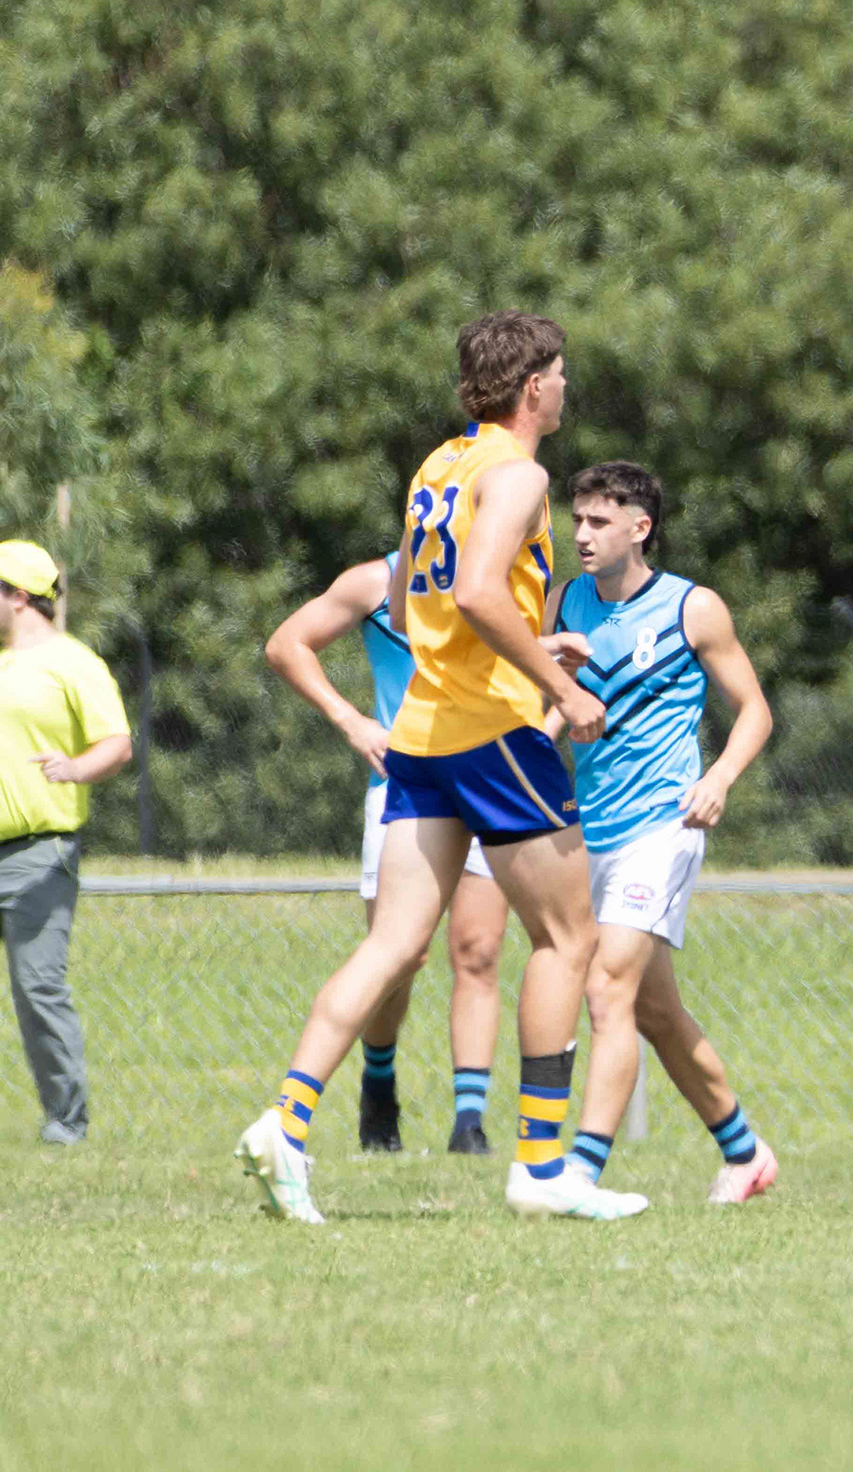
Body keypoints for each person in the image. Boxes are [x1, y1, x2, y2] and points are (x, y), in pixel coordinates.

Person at [239, 311, 638, 1225]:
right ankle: (542, 1167)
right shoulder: (520, 472)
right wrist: (558, 686)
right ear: (533, 385)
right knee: (568, 938)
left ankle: (285, 1124)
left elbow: (425, 601)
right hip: (493, 731)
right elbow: (476, 590)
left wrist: (532, 644)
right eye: (560, 373)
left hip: (420, 731)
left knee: (392, 945)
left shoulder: (439, 465)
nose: (567, 387)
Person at [543, 462, 782, 1206]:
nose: (582, 535)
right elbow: (544, 711)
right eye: (577, 520)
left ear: (640, 527)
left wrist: (719, 778)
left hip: (662, 825)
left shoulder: (691, 608)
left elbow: (756, 710)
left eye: (599, 521)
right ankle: (745, 1153)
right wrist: (556, 702)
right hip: (589, 830)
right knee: (655, 1013)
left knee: (607, 988)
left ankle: (580, 1171)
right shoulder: (563, 603)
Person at [266, 551, 513, 1154]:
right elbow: (286, 645)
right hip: (407, 789)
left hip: (488, 783)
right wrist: (351, 720)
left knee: (478, 952)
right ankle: (378, 1080)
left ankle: (469, 1123)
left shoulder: (503, 576)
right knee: (401, 956)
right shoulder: (378, 581)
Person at [0, 541, 130, 1148]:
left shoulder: (74, 663)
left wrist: (75, 769)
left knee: (37, 988)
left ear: (18, 597)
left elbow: (117, 744)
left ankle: (65, 1122)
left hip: (37, 853)